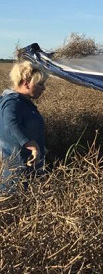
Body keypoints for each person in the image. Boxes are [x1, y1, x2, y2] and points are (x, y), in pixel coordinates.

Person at [0, 60, 48, 193]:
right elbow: (11, 123)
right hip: (17, 168)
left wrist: (41, 146)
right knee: (17, 201)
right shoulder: (12, 102)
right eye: (40, 84)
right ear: (26, 83)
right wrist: (30, 144)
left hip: (30, 164)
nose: (43, 88)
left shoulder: (24, 102)